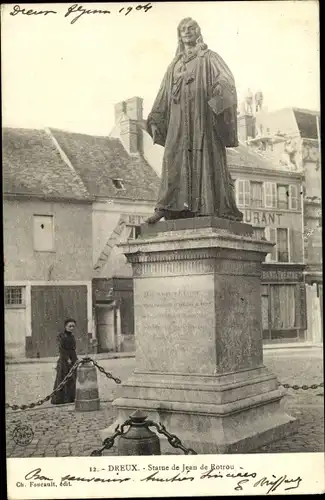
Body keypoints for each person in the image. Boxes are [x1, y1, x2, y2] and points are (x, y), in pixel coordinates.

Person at [146, 17, 243, 224]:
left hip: (202, 120)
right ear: (179, 35)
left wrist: (216, 98)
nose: (187, 32)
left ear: (198, 32)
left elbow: (226, 81)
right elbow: (163, 93)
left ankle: (207, 208)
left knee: (204, 159)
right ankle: (166, 207)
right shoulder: (174, 65)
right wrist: (156, 118)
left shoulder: (209, 57)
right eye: (183, 29)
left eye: (191, 28)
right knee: (172, 159)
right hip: (178, 123)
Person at [51, 318, 78, 405]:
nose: (71, 328)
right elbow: (61, 349)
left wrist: (75, 359)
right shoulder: (61, 336)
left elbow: (73, 349)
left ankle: (71, 397)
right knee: (63, 378)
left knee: (72, 378)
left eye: (73, 326)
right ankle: (61, 399)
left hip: (73, 359)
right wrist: (67, 359)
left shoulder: (72, 337)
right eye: (70, 326)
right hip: (64, 360)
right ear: (65, 327)